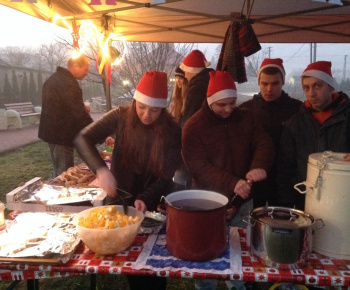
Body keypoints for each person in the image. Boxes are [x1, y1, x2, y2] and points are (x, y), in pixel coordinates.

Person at [74, 71, 181, 289]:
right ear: (134, 101)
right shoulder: (121, 115)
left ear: (163, 108)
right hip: (118, 202)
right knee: (129, 264)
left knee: (154, 269)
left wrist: (145, 197)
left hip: (152, 205)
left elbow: (165, 174)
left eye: (154, 110)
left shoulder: (171, 130)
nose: (146, 115)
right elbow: (82, 138)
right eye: (141, 107)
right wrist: (101, 171)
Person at [182, 70, 275, 290]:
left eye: (232, 103)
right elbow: (197, 166)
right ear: (210, 100)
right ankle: (206, 285)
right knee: (205, 252)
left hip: (242, 201)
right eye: (221, 105)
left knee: (240, 250)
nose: (228, 109)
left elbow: (264, 143)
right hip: (208, 203)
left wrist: (258, 166)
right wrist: (231, 182)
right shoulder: (193, 127)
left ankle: (239, 285)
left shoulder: (246, 117)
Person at [277, 61, 350, 210]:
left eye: (318, 86)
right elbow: (285, 165)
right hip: (306, 199)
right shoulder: (295, 123)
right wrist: (287, 203)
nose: (311, 93)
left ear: (330, 86)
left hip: (343, 198)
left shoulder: (347, 115)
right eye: (306, 87)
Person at [239, 58, 302, 208]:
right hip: (253, 178)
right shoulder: (245, 110)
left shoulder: (297, 110)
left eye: (275, 84)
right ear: (258, 82)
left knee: (281, 226)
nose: (269, 89)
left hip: (285, 180)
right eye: (265, 84)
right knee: (252, 225)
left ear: (283, 83)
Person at [38, 53, 93, 177]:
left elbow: (61, 107)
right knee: (65, 176)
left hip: (53, 134)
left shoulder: (55, 79)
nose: (87, 73)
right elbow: (79, 114)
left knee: (59, 172)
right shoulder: (68, 83)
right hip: (61, 135)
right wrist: (98, 133)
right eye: (86, 69)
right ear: (75, 66)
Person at [179, 49, 214, 127]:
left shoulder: (196, 89)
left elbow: (189, 117)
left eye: (185, 72)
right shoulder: (208, 82)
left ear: (192, 71)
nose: (185, 75)